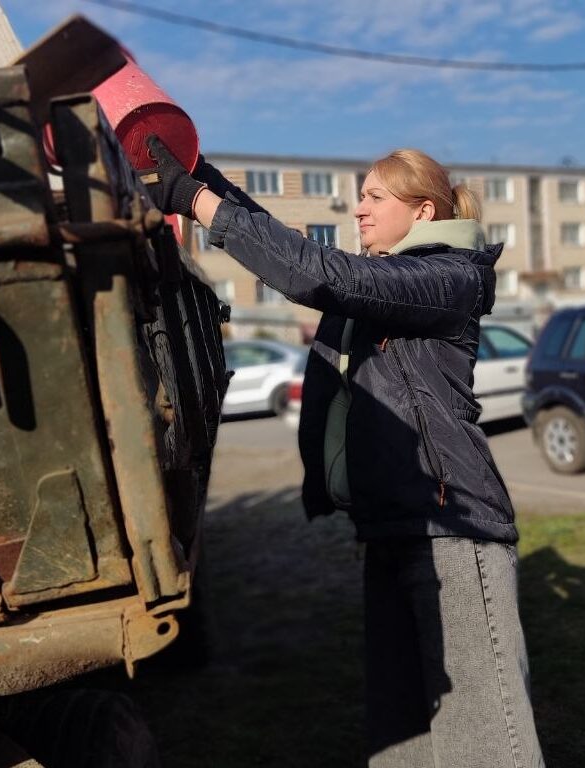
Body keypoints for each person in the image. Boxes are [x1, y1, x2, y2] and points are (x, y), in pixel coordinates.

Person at [145, 136, 545, 768]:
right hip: (389, 527)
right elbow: (294, 253)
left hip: (455, 527)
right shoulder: (381, 283)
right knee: (402, 735)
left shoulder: (450, 277)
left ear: (423, 212)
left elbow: (323, 275)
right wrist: (205, 177)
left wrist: (194, 202)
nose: (359, 209)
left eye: (375, 197)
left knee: (482, 741)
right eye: (360, 196)